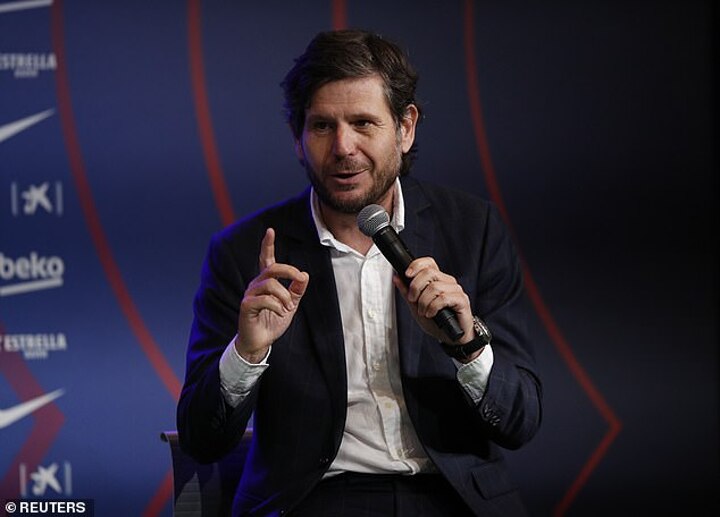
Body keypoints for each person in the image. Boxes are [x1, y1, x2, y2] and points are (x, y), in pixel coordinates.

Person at [178, 29, 542, 517]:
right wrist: (247, 354)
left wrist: (466, 345)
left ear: (405, 128)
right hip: (310, 501)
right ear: (297, 138)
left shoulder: (473, 230)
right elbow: (200, 440)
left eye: (363, 123)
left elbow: (520, 420)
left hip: (449, 496)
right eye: (322, 126)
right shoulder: (243, 254)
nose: (343, 147)